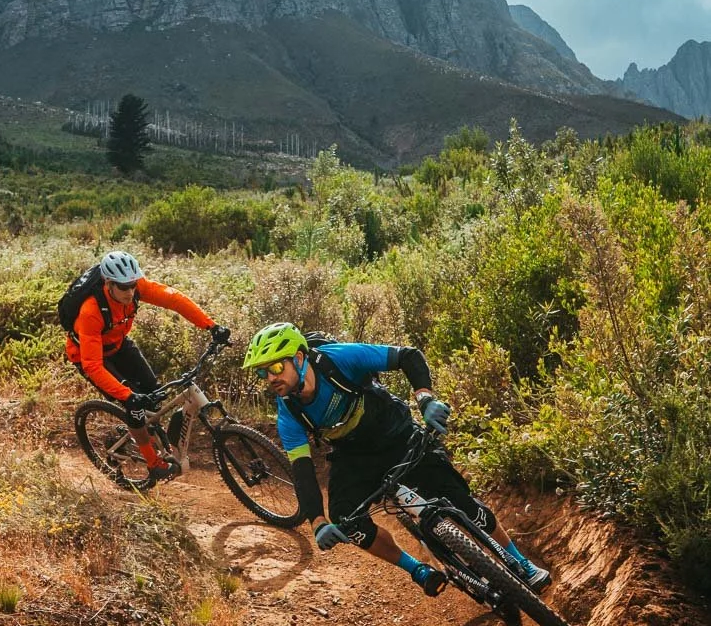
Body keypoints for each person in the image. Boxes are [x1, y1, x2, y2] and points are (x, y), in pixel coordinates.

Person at [242, 322, 549, 596]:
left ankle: (521, 562)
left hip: (395, 431)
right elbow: (303, 470)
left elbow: (408, 356)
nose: (269, 378)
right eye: (262, 371)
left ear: (298, 358)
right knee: (347, 520)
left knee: (462, 501)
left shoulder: (338, 359)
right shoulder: (289, 413)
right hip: (354, 457)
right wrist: (318, 521)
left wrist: (425, 398)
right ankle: (417, 569)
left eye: (276, 368)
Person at [64, 250, 229, 480]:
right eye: (123, 287)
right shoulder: (90, 311)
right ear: (108, 284)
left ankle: (146, 433)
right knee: (134, 405)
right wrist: (128, 396)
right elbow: (93, 365)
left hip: (118, 344)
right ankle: (153, 464)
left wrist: (211, 326)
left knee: (153, 392)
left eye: (132, 285)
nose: (130, 292)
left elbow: (173, 298)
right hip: (90, 356)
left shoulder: (135, 288)